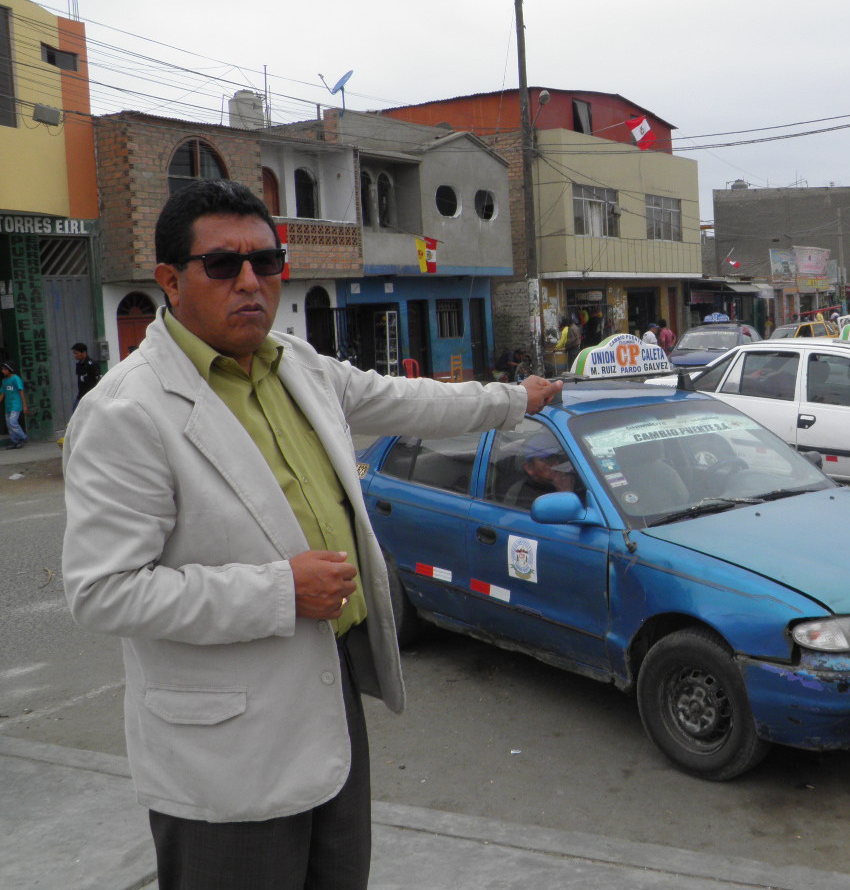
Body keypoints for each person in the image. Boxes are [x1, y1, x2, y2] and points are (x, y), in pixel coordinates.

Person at [60, 179, 562, 890]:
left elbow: (407, 398)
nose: (250, 283)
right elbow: (103, 592)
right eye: (223, 265)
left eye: (265, 264)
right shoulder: (126, 413)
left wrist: (515, 398)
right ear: (170, 281)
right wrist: (278, 591)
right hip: (224, 751)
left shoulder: (295, 363)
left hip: (327, 704)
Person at [504, 430, 580, 509]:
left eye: (556, 457)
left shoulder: (570, 480)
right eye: (547, 459)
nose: (556, 464)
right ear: (529, 468)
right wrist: (566, 494)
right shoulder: (524, 497)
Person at [2, 362, 28, 449]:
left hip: (16, 405)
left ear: (9, 370)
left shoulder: (16, 378)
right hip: (8, 406)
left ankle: (23, 437)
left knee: (13, 422)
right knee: (9, 425)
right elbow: (2, 394)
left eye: (4, 369)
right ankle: (15, 442)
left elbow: (21, 392)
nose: (3, 371)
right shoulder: (4, 381)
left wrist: (24, 405)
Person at [71, 342, 100, 408]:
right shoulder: (79, 365)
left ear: (83, 353)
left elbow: (98, 380)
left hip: (91, 396)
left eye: (76, 353)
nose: (75, 355)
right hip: (81, 395)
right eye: (74, 353)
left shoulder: (91, 364)